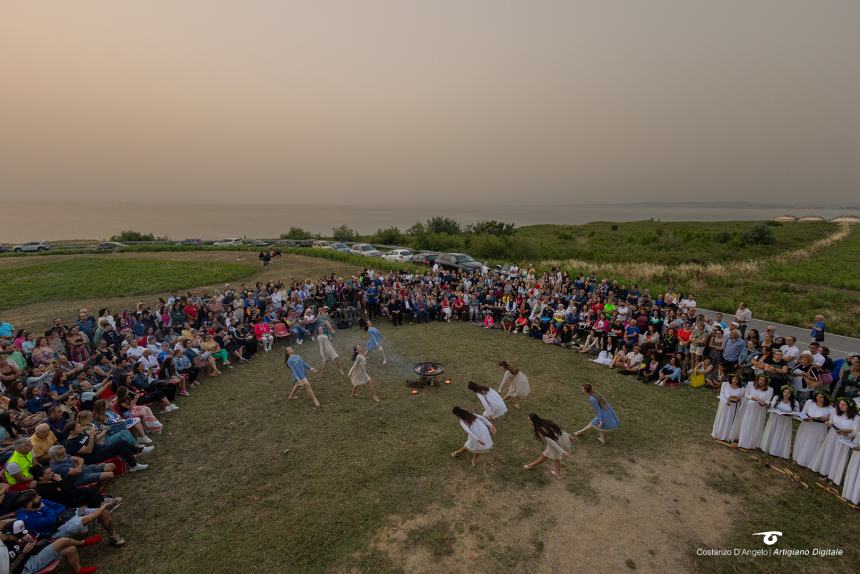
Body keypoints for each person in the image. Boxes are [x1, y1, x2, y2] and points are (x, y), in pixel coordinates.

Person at [1, 520, 98, 574]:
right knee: (63, 541)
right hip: (25, 568)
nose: (18, 537)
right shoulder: (2, 550)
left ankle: (78, 570)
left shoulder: (13, 539)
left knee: (70, 549)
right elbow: (8, 570)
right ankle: (82, 543)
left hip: (30, 557)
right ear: (6, 535)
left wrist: (30, 544)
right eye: (15, 536)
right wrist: (23, 553)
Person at [810, 398, 859, 485]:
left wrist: (844, 433)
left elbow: (854, 432)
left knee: (838, 457)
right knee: (829, 453)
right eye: (840, 404)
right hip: (832, 436)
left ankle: (833, 477)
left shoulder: (856, 418)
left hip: (843, 440)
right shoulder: (835, 412)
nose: (841, 406)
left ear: (850, 406)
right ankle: (824, 471)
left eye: (844, 404)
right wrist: (828, 423)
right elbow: (831, 421)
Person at [523, 413, 572, 479]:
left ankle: (530, 466)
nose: (528, 422)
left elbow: (552, 443)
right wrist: (569, 436)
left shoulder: (540, 430)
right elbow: (560, 430)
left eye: (529, 420)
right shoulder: (546, 422)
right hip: (560, 438)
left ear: (533, 421)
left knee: (546, 455)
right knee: (552, 457)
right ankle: (557, 474)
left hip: (556, 442)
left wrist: (562, 451)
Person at [792, 392, 834, 470]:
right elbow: (803, 413)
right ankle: (799, 458)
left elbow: (831, 421)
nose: (819, 398)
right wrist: (805, 418)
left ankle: (810, 463)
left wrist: (827, 419)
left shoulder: (830, 408)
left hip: (819, 428)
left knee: (815, 444)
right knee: (804, 441)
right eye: (817, 396)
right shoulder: (809, 402)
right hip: (808, 425)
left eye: (821, 397)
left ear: (825, 398)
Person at [759, 386, 799, 459]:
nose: (786, 394)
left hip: (785, 421)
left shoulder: (795, 402)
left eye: (788, 393)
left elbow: (797, 413)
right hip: (775, 419)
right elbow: (771, 406)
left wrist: (790, 414)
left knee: (781, 434)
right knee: (772, 432)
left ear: (791, 394)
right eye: (784, 392)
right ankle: (767, 447)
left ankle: (778, 451)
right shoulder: (777, 398)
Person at [736, 375, 774, 449]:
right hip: (749, 408)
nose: (761, 381)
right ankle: (743, 440)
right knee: (747, 423)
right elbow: (746, 394)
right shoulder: (750, 385)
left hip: (760, 410)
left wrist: (764, 403)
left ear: (766, 382)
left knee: (756, 425)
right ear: (757, 379)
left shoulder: (770, 389)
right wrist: (753, 398)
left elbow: (768, 401)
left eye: (763, 380)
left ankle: (753, 442)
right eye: (760, 379)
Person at [711, 375, 744, 441]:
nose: (735, 381)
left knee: (730, 420)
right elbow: (722, 395)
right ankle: (719, 434)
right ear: (731, 379)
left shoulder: (741, 389)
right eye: (734, 379)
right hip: (725, 405)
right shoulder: (725, 384)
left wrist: (738, 399)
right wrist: (727, 400)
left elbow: (741, 400)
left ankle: (727, 436)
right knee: (723, 419)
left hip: (734, 407)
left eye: (737, 380)